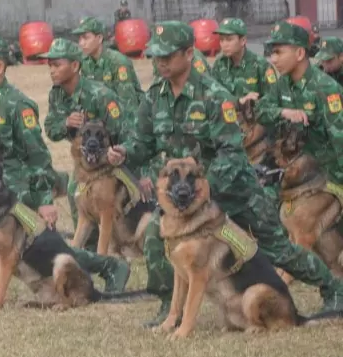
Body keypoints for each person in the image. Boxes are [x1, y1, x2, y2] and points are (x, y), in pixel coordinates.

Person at [113, 21, 343, 325]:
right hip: (187, 196)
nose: (161, 62)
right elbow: (143, 141)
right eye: (157, 56)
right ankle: (168, 309)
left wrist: (205, 189)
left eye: (168, 55)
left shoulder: (213, 95)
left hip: (235, 190)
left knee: (277, 248)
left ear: (189, 53)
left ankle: (332, 287)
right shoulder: (155, 95)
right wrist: (125, 151)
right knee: (157, 239)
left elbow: (231, 152)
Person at [0, 33, 130, 309]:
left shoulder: (18, 105)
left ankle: (107, 265)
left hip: (18, 191)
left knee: (39, 241)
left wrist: (43, 199)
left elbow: (39, 155)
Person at [38, 37, 132, 246]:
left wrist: (119, 155)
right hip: (87, 163)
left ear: (74, 65)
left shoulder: (99, 95)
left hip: (114, 161)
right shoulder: (57, 95)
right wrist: (65, 124)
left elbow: (125, 131)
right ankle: (87, 248)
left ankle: (111, 246)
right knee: (76, 194)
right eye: (49, 65)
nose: (51, 70)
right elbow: (51, 130)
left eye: (57, 65)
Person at [256, 20, 343, 185]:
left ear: (300, 54)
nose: (273, 59)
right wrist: (284, 112)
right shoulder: (283, 83)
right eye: (271, 53)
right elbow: (260, 110)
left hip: (323, 173)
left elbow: (340, 140)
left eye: (278, 52)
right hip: (291, 166)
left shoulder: (325, 88)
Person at [74, 17, 143, 110]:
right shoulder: (85, 62)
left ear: (99, 38)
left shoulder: (118, 62)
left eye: (86, 38)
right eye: (80, 39)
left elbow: (128, 104)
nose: (81, 43)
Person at [210, 18, 276, 103]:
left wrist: (251, 103)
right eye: (221, 40)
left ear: (243, 41)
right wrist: (239, 101)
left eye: (229, 39)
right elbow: (213, 95)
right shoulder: (219, 64)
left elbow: (273, 98)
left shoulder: (261, 65)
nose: (224, 44)